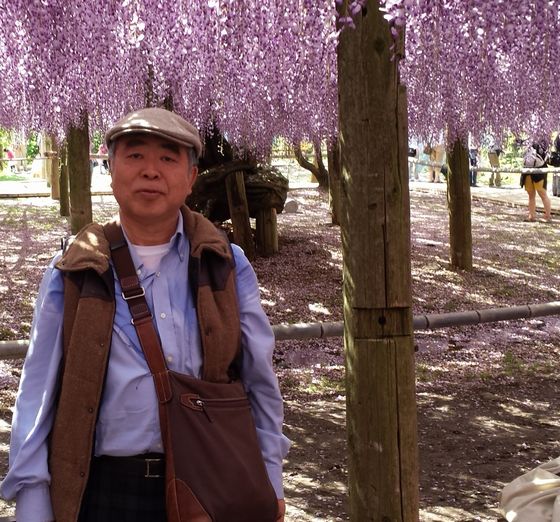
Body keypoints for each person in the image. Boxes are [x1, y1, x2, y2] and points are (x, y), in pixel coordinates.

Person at [0, 107, 290, 521]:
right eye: (135, 155)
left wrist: (270, 476)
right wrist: (32, 501)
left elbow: (259, 380)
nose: (150, 171)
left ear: (191, 177)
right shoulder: (75, 267)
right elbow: (37, 392)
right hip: (103, 489)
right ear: (110, 169)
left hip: (209, 483)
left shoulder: (224, 263)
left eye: (168, 158)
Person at [521, 141, 552, 222]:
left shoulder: (543, 139)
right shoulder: (527, 141)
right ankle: (531, 216)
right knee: (530, 194)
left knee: (542, 193)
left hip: (539, 169)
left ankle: (547, 216)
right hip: (527, 169)